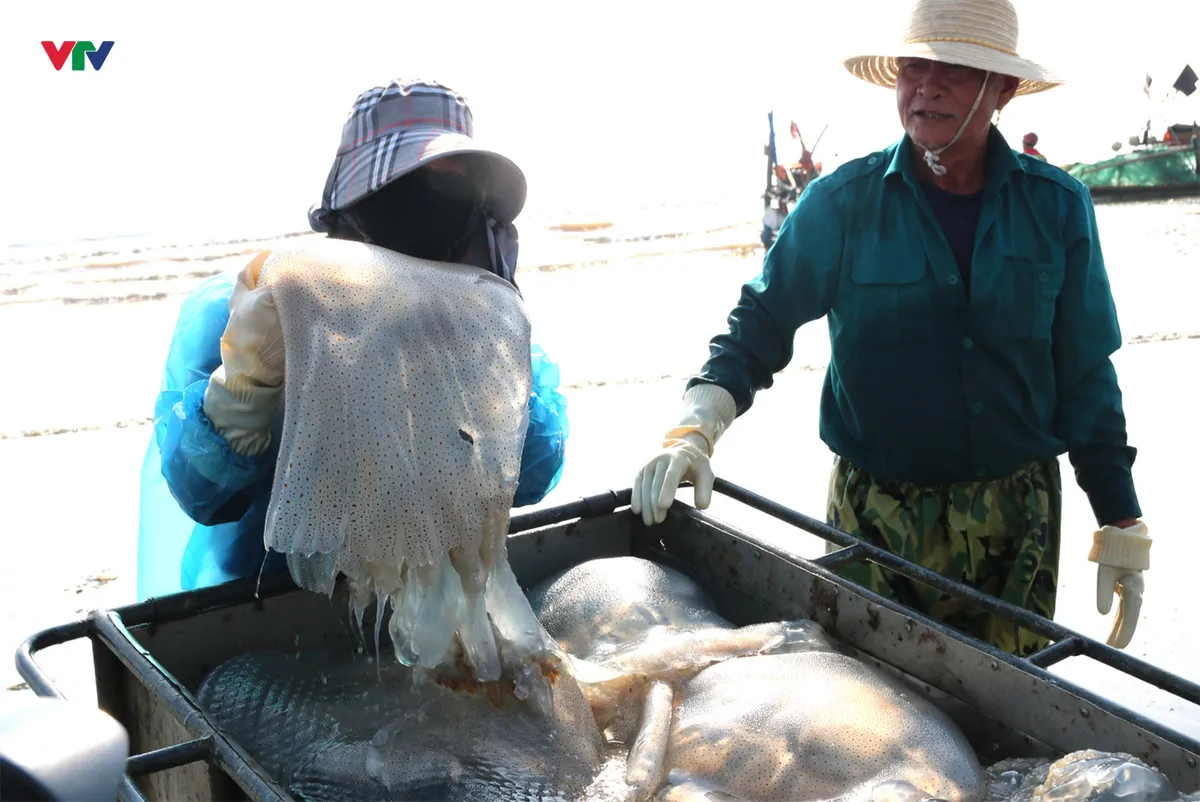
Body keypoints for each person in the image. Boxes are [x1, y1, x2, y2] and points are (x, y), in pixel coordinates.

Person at [631, 0, 1152, 656]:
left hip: (1016, 526)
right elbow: (759, 323)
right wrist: (695, 428)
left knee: (1005, 718)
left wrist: (1121, 521)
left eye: (955, 70)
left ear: (1004, 90)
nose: (925, 86)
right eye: (912, 67)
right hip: (873, 521)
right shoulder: (841, 204)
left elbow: (1084, 376)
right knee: (875, 719)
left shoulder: (1057, 209)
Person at [137, 78, 569, 601]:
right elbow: (204, 495)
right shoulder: (260, 307)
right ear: (354, 204)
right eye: (409, 190)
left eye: (455, 190)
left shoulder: (486, 319)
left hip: (435, 599)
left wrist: (495, 362)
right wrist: (243, 395)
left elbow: (530, 478)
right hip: (268, 602)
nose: (433, 210)